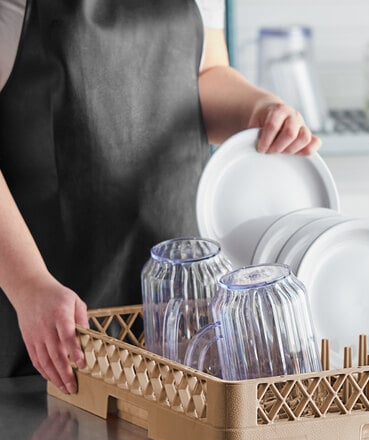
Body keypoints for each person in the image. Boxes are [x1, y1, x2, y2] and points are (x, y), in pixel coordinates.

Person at [0, 0, 321, 395]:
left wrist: (259, 110)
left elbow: (204, 74)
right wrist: (29, 285)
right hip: (39, 299)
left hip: (177, 288)